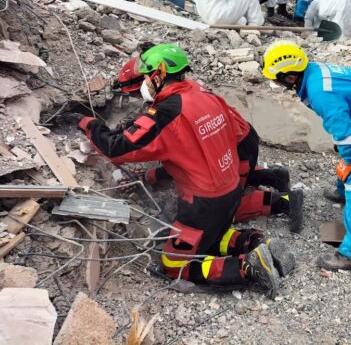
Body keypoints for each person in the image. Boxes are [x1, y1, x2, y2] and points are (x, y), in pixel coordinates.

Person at [79, 44, 297, 295]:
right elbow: (192, 153)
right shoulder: (200, 94)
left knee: (174, 263)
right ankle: (259, 242)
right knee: (212, 237)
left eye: (147, 76)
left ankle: (247, 267)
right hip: (230, 186)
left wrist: (88, 122)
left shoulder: (167, 113)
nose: (145, 84)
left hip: (204, 201)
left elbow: (117, 149)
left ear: (158, 74)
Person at [111, 53, 303, 231]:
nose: (138, 98)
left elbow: (190, 163)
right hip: (240, 138)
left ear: (152, 79)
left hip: (239, 147)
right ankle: (274, 177)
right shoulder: (181, 87)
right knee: (228, 174)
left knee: (223, 208)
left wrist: (150, 176)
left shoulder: (176, 108)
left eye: (137, 92)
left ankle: (285, 202)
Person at [262, 41, 351, 271]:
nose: (274, 82)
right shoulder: (311, 73)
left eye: (276, 78)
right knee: (348, 153)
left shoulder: (319, 91)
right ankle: (342, 191)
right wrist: (347, 151)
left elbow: (346, 136)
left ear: (289, 76)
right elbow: (342, 123)